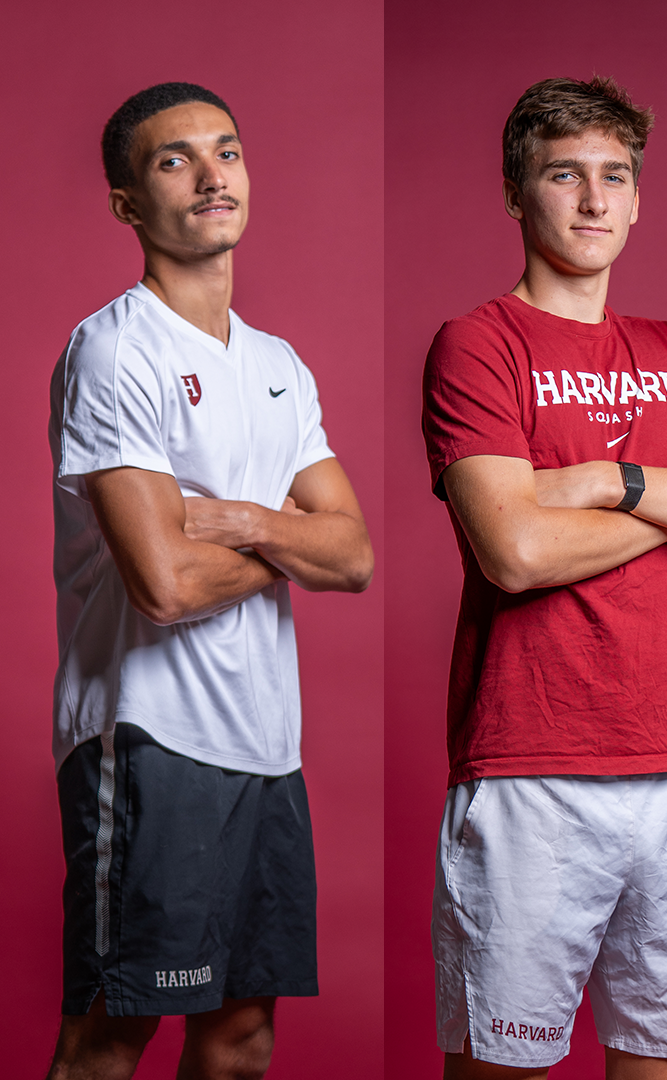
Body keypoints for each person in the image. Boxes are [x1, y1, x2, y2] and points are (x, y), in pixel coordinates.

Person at [420, 76, 667, 1080]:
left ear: (639, 196)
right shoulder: (477, 345)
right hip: (531, 769)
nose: (593, 201)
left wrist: (605, 484)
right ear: (514, 192)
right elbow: (515, 552)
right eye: (564, 175)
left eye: (615, 176)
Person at [46, 82, 375, 1080]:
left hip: (267, 748)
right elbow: (167, 584)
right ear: (127, 202)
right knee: (109, 1039)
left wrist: (246, 520)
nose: (209, 173)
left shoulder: (279, 364)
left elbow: (354, 555)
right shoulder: (115, 352)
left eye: (224, 151)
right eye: (172, 158)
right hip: (150, 741)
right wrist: (292, 540)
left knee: (240, 1041)